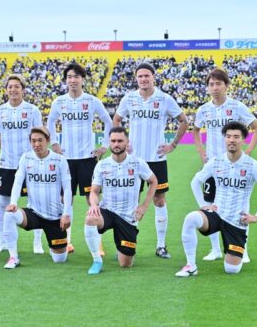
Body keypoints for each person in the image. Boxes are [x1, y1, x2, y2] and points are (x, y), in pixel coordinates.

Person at [175, 121, 257, 277]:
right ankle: (191, 266)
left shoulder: (252, 165)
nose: (232, 140)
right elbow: (195, 182)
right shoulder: (216, 162)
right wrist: (203, 205)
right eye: (228, 136)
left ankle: (236, 251)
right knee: (191, 218)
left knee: (232, 270)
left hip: (237, 221)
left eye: (236, 137)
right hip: (216, 215)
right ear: (225, 139)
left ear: (243, 140)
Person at [113, 62, 189, 259]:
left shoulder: (164, 99)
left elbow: (184, 121)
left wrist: (172, 145)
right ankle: (126, 245)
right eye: (140, 76)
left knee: (159, 199)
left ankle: (161, 245)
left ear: (153, 77)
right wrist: (124, 141)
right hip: (133, 159)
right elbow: (117, 120)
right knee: (131, 201)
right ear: (136, 79)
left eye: (147, 76)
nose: (144, 79)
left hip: (156, 158)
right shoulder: (129, 98)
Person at [193, 68, 257, 263]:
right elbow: (196, 130)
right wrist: (201, 152)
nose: (215, 88)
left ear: (226, 85)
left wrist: (247, 152)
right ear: (207, 87)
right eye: (211, 84)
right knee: (211, 207)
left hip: (234, 165)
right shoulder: (203, 110)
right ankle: (215, 249)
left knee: (240, 207)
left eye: (218, 84)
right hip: (213, 167)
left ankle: (243, 248)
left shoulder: (237, 107)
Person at [46, 63, 112, 253]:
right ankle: (67, 241)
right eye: (69, 77)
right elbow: (50, 121)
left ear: (82, 79)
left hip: (87, 159)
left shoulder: (91, 101)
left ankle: (97, 244)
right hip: (65, 159)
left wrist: (104, 147)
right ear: (66, 80)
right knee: (65, 199)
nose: (72, 80)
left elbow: (108, 121)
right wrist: (55, 144)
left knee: (91, 200)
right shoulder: (59, 102)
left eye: (76, 76)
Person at [85, 127, 158, 274]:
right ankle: (97, 261)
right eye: (113, 141)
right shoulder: (102, 165)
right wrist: (94, 205)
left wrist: (144, 206)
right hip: (108, 211)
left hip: (128, 217)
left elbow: (153, 181)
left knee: (125, 264)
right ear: (109, 143)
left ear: (127, 142)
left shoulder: (137, 163)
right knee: (91, 218)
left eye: (120, 141)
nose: (116, 144)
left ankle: (121, 249)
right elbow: (94, 191)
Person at [2, 127, 72, 269]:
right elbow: (18, 181)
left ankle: (57, 246)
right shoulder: (26, 158)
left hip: (55, 218)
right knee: (9, 214)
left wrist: (66, 214)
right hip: (33, 213)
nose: (36, 144)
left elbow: (68, 189)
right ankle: (13, 257)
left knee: (59, 259)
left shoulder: (60, 160)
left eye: (40, 140)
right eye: (33, 141)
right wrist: (13, 203)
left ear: (47, 140)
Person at [0, 74, 44, 254]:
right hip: (7, 165)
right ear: (6, 90)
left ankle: (37, 243)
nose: (13, 90)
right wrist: (6, 150)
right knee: (3, 203)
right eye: (10, 87)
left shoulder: (32, 110)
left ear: (23, 89)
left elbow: (40, 134)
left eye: (16, 86)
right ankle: (2, 240)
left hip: (30, 165)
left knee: (36, 203)